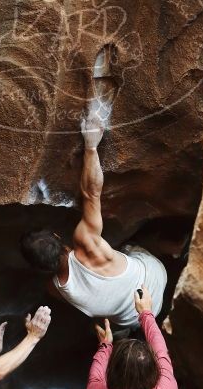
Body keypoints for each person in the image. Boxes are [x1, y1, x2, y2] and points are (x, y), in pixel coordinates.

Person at [20, 107, 167, 332]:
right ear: (58, 237)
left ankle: (123, 336)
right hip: (155, 282)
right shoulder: (86, 240)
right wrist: (90, 145)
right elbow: (91, 193)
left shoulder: (54, 288)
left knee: (110, 319)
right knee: (130, 246)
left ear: (40, 268)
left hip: (134, 319)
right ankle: (165, 247)